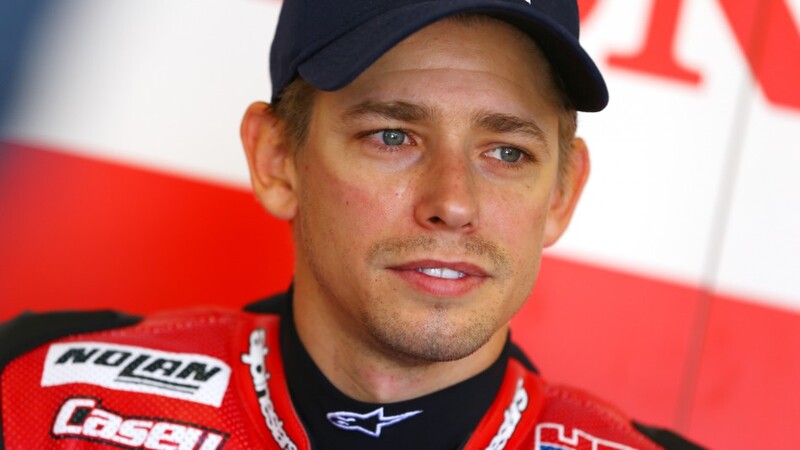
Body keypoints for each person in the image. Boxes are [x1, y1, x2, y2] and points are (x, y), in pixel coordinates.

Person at [0, 0, 704, 448]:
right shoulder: (33, 388)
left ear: (561, 193)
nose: (454, 202)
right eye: (393, 136)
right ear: (277, 160)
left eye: (507, 152)